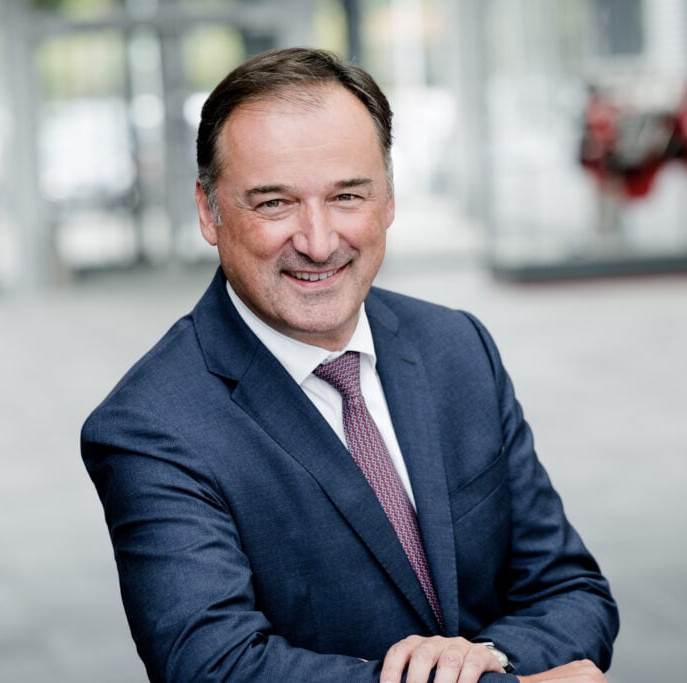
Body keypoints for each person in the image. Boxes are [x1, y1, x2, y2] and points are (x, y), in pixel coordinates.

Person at [81, 47, 618, 683]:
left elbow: (571, 591)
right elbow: (213, 667)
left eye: (347, 195)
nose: (318, 241)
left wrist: (492, 658)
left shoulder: (456, 346)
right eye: (274, 203)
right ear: (208, 212)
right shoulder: (151, 427)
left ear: (387, 199)